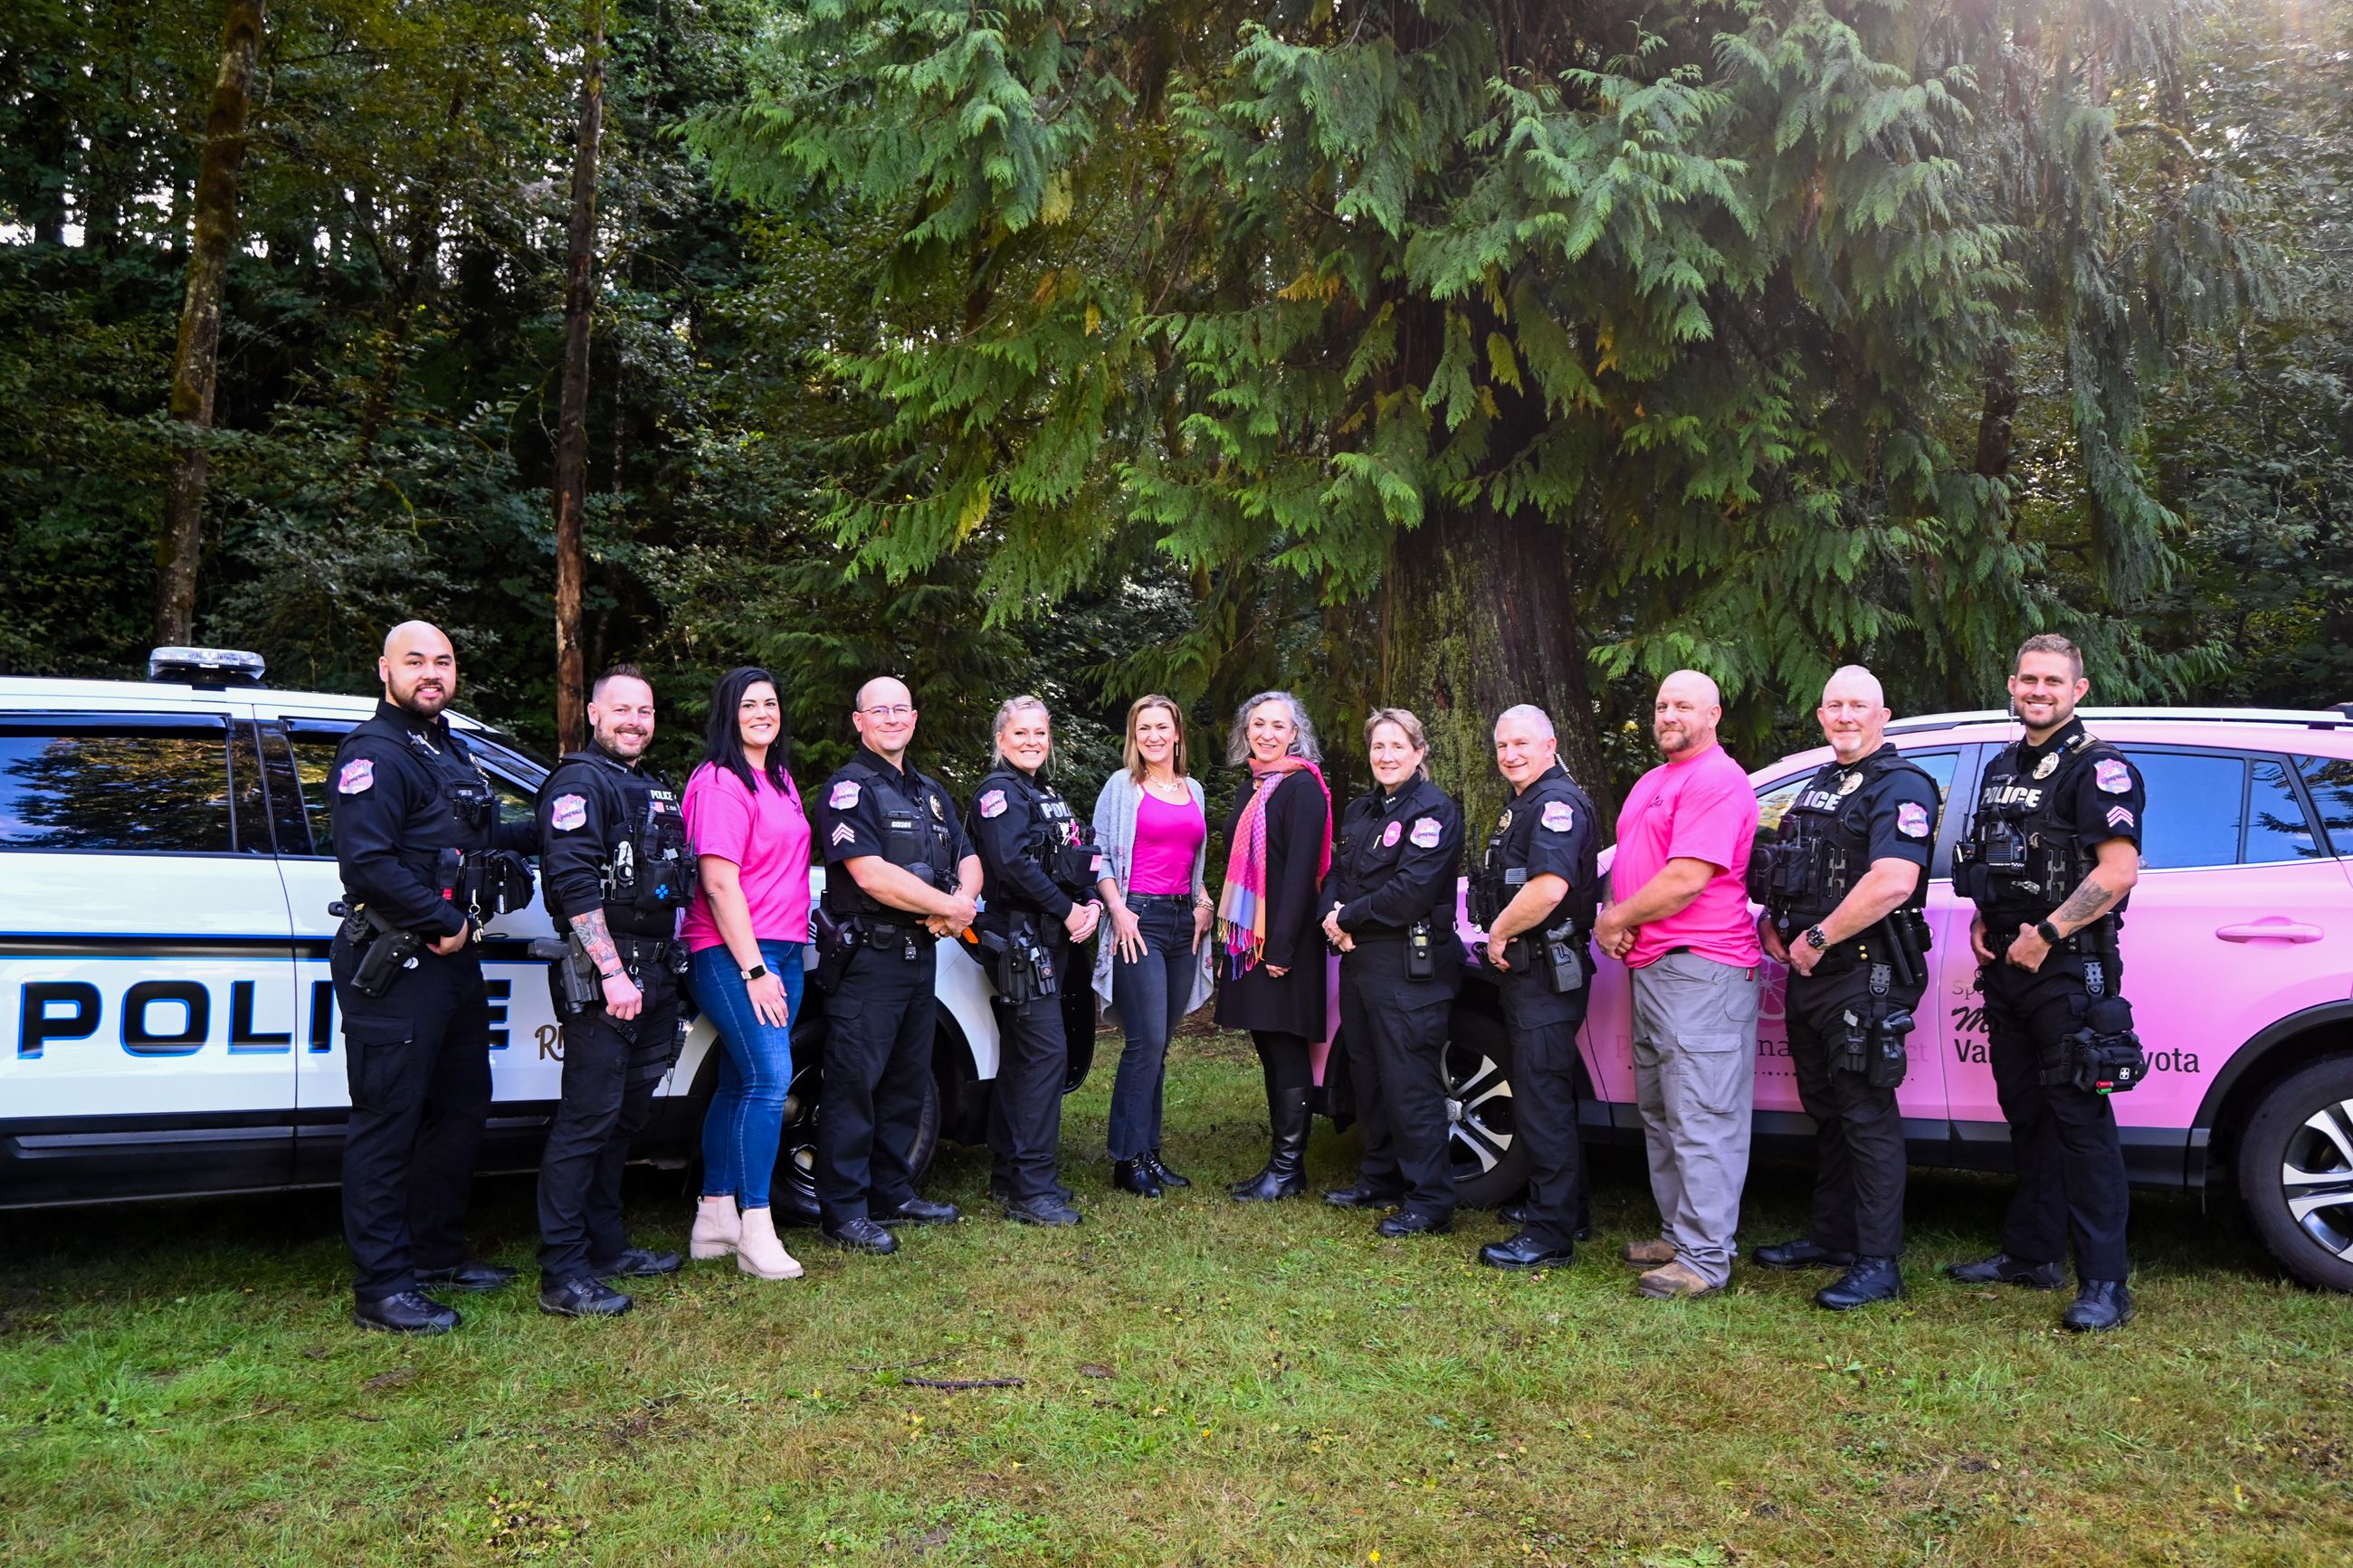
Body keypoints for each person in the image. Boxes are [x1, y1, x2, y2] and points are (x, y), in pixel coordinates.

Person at [329, 620, 536, 1335]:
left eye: (443, 661)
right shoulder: (374, 752)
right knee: (388, 1121)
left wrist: (551, 828)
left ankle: (436, 1253)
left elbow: (474, 840)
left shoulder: (448, 748)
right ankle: (383, 1287)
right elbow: (367, 863)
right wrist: (440, 921)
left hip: (453, 966)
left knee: (460, 1110)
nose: (431, 672)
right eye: (415, 660)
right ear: (383, 668)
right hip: (399, 960)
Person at [1947, 634, 2147, 1332]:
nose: (2038, 690)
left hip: (2067, 968)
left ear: (2078, 690)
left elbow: (2117, 870)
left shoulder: (2099, 769)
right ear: (2013, 682)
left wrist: (2048, 933)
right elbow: (2001, 859)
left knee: (2081, 1123)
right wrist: (1984, 919)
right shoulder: (2005, 764)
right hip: (2007, 965)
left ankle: (2104, 1283)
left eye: (2053, 681)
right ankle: (2032, 1254)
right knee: (2027, 1112)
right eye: (2028, 679)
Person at [1750, 667, 1939, 1311]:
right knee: (1827, 1110)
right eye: (1835, 704)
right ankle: (1832, 1237)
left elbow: (1893, 881)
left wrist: (1820, 936)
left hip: (1865, 971)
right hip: (1812, 971)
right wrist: (1773, 923)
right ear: (1821, 713)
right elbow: (1790, 864)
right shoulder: (1823, 782)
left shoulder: (1903, 784)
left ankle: (1879, 1263)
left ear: (1884, 713)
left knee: (1865, 1114)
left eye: (1859, 703)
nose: (1846, 714)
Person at [1594, 670, 1763, 1301]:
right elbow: (1633, 864)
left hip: (1704, 967)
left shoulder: (1716, 779)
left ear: (1714, 713)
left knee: (1704, 1115)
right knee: (1664, 1111)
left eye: (1683, 704)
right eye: (1662, 703)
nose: (1669, 713)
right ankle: (1678, 1234)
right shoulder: (1652, 782)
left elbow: (1688, 877)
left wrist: (1616, 918)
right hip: (1655, 966)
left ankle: (1705, 1258)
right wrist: (1615, 920)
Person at [532, 667, 692, 1317]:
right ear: (593, 713)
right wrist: (610, 973)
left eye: (645, 710)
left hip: (655, 972)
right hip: (611, 977)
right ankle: (562, 1272)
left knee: (623, 1120)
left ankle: (606, 1245)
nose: (634, 720)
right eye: (621, 709)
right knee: (587, 1120)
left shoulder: (649, 786)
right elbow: (573, 883)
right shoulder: (579, 782)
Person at [810, 676, 981, 1253]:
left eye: (901, 709)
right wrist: (952, 909)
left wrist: (959, 906)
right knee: (854, 1087)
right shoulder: (848, 790)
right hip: (870, 958)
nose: (891, 718)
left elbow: (969, 854)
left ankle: (892, 1191)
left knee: (907, 1083)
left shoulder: (930, 791)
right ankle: (844, 1210)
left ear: (914, 718)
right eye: (878, 710)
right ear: (858, 721)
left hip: (920, 954)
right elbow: (869, 874)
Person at [681, 667, 814, 1282]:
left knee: (739, 1082)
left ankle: (713, 1216)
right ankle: (755, 1226)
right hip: (733, 951)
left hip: (783, 948)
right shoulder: (717, 783)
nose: (763, 711)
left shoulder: (780, 778)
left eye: (771, 701)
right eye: (749, 703)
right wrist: (754, 966)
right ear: (728, 713)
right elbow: (717, 881)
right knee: (770, 1079)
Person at [1319, 709, 1464, 1237]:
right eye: (1378, 747)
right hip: (1360, 962)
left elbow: (1410, 893)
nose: (1386, 756)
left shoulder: (1434, 812)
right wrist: (1330, 919)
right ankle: (1379, 1176)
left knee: (1410, 1083)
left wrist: (1347, 918)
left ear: (1419, 752)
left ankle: (1429, 1200)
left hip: (1408, 966)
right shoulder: (1362, 810)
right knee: (1369, 1075)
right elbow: (1337, 875)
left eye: (1397, 746)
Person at [1467, 705, 1603, 1270]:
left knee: (1543, 1099)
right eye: (1502, 745)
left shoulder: (1555, 805)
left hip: (1545, 972)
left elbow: (1549, 888)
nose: (1510, 754)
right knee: (1545, 1092)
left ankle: (1549, 1236)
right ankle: (1567, 1210)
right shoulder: (1528, 802)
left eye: (1522, 743)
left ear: (1550, 744)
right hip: (1534, 973)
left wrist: (1499, 931)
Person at [965, 697, 1104, 1224]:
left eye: (1039, 734)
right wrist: (1068, 910)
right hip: (1022, 941)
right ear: (1001, 740)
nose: (1030, 742)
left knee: (1026, 1059)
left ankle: (1010, 1176)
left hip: (1054, 939)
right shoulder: (998, 794)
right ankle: (1032, 1188)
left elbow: (1073, 856)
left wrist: (1087, 901)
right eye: (1020, 734)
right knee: (1044, 1058)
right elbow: (1013, 864)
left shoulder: (1044, 793)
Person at [1090, 696, 1215, 1198]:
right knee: (1145, 1043)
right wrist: (1118, 910)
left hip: (1182, 924)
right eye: (1145, 728)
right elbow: (1097, 855)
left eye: (1163, 727)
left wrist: (1203, 900)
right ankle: (1125, 1160)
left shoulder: (1195, 790)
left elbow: (1193, 860)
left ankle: (1150, 1153)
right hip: (1136, 920)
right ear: (1134, 736)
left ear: (1178, 733)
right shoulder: (1122, 788)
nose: (1154, 736)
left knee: (1161, 1043)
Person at [1214, 691, 1335, 1202]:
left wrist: (1281, 949)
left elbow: (1302, 874)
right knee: (1268, 1046)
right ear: (1247, 732)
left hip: (1284, 942)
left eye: (1277, 726)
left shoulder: (1302, 789)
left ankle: (1287, 1171)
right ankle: (1282, 1167)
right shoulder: (1253, 788)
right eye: (1257, 724)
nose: (1266, 733)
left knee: (1287, 1050)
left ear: (1295, 734)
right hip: (1252, 940)